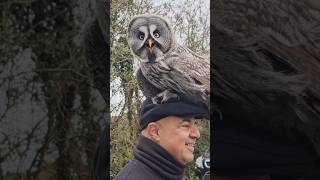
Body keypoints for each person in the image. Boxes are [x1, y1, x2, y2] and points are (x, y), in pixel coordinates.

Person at [113, 98, 209, 180]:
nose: (197, 134)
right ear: (155, 132)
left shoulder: (169, 173)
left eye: (195, 124)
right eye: (186, 125)